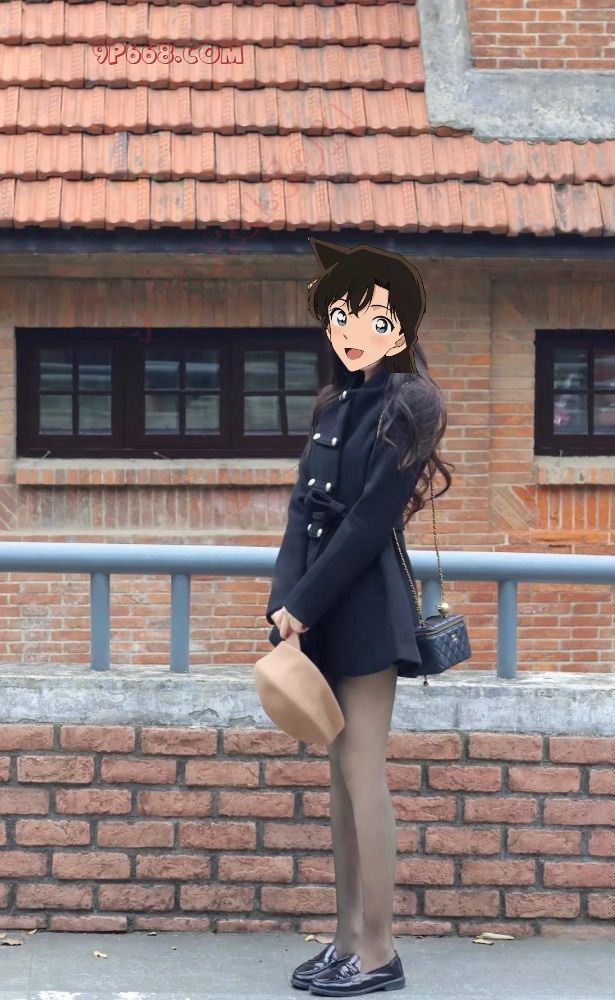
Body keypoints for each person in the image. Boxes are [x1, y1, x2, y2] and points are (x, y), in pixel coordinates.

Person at [265, 239, 452, 996]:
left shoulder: (412, 403)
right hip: (318, 611)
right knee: (339, 784)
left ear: (401, 326)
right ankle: (345, 939)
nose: (351, 331)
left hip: (367, 608)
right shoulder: (333, 403)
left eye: (371, 318)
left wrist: (303, 603)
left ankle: (379, 949)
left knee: (362, 774)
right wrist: (283, 604)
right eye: (340, 315)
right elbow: (302, 511)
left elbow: (370, 521)